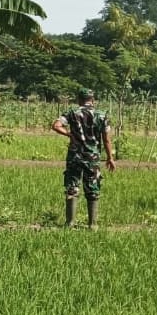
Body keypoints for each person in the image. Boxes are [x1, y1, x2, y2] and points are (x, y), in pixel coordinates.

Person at [51, 88, 116, 228]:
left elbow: (56, 125)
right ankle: (92, 224)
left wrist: (69, 134)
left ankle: (69, 223)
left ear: (79, 100)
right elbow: (106, 139)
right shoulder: (102, 115)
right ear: (92, 100)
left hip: (74, 156)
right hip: (92, 157)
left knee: (72, 187)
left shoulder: (72, 113)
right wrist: (110, 157)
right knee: (93, 188)